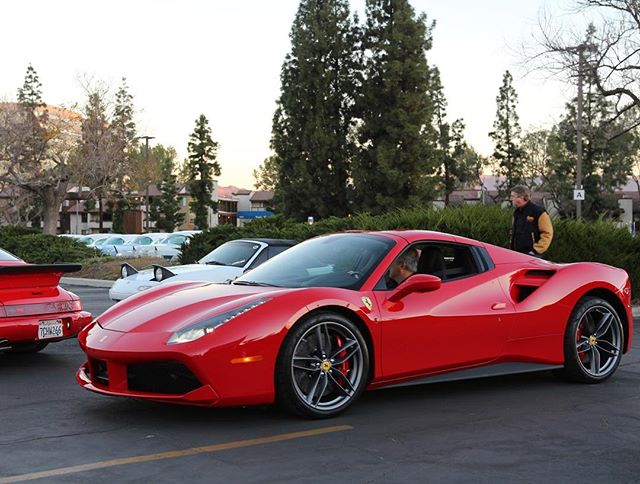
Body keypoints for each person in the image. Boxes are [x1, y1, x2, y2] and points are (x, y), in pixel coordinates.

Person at [509, 185, 553, 257]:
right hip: (516, 254)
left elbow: (547, 233)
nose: (510, 199)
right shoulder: (516, 213)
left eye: (512, 196)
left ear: (521, 197)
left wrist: (535, 250)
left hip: (533, 256)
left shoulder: (538, 212)